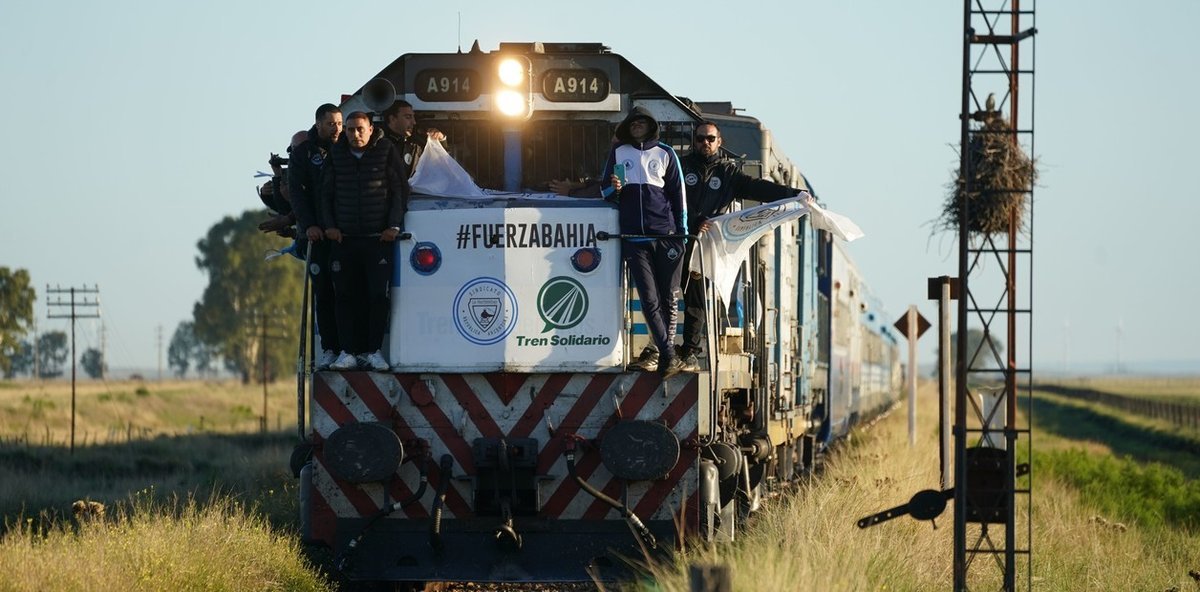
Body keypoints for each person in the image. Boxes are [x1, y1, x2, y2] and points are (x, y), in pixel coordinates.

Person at [677, 121, 810, 370]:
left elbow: (759, 189)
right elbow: (669, 199)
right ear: (694, 141)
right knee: (664, 295)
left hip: (706, 246)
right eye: (700, 138)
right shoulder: (680, 167)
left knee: (696, 300)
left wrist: (794, 195)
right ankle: (660, 348)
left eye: (710, 139)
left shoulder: (728, 174)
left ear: (719, 142)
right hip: (676, 241)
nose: (705, 143)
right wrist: (694, 220)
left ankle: (689, 351)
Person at [600, 107, 688, 378]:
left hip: (666, 237)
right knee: (649, 299)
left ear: (651, 126)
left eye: (642, 122)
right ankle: (669, 355)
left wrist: (682, 234)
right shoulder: (618, 152)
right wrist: (614, 188)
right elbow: (605, 192)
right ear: (627, 127)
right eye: (633, 122)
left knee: (668, 297)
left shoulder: (665, 153)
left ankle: (665, 353)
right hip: (634, 238)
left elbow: (678, 195)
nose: (637, 125)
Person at [320, 111, 409, 372]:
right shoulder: (336, 154)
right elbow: (325, 194)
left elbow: (400, 189)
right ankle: (347, 352)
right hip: (344, 240)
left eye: (360, 129)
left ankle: (373, 351)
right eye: (350, 130)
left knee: (377, 297)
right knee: (344, 297)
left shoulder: (386, 150)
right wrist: (329, 226)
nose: (355, 134)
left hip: (377, 239)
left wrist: (393, 225)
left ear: (371, 129)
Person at [289, 104, 344, 369]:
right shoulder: (303, 153)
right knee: (324, 294)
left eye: (340, 124)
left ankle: (351, 349)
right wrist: (309, 225)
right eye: (331, 124)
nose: (337, 129)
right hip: (317, 236)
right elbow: (297, 194)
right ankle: (330, 349)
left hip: (344, 234)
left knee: (347, 294)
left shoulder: (347, 148)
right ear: (318, 124)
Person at [381, 99, 446, 175]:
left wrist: (441, 139)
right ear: (392, 119)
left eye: (413, 117)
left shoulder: (418, 144)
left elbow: (441, 163)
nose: (414, 122)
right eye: (408, 117)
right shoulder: (377, 144)